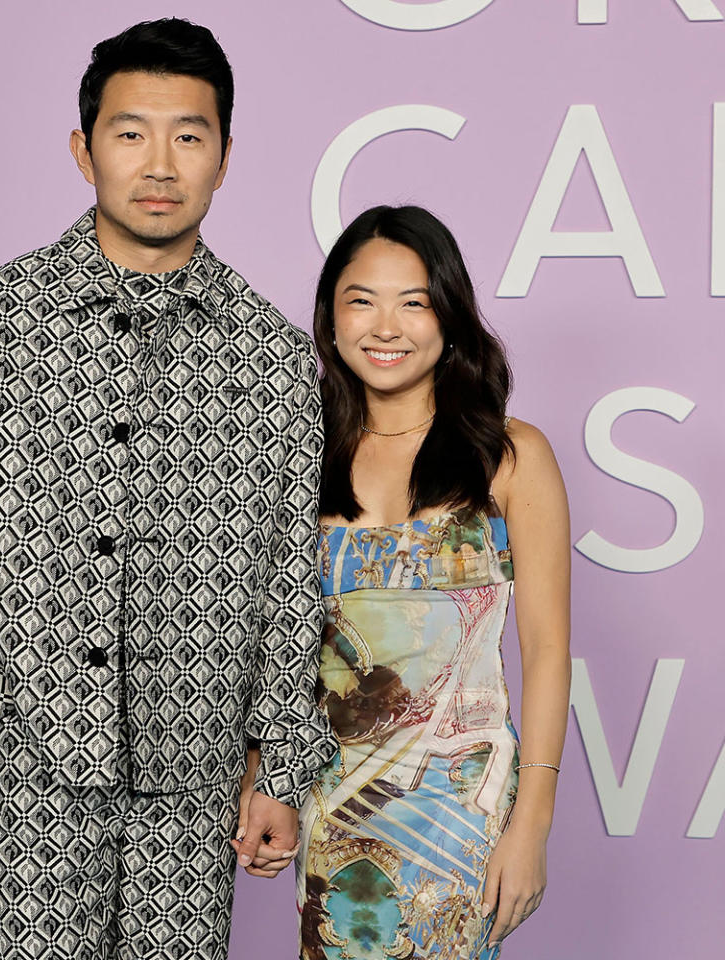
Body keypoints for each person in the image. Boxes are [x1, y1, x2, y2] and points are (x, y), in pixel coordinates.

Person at [0, 18, 336, 960]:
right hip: (34, 772)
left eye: (190, 134)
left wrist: (281, 767)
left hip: (196, 779)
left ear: (224, 156)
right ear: (83, 150)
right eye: (131, 133)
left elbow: (292, 572)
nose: (160, 163)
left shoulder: (273, 359)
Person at [294, 205, 571, 959]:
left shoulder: (510, 455)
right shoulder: (295, 453)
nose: (387, 326)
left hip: (462, 808)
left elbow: (547, 652)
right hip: (336, 801)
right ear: (329, 318)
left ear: (449, 317)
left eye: (413, 301)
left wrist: (533, 823)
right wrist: (264, 781)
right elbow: (270, 646)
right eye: (363, 300)